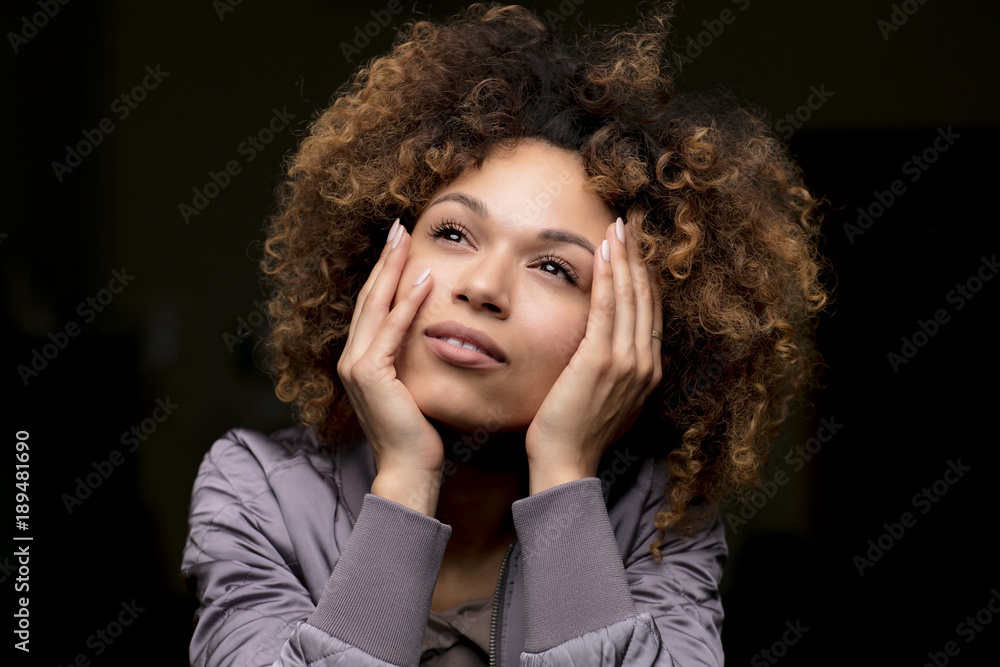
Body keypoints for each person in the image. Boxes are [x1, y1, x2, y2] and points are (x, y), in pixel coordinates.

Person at [181, 3, 827, 665]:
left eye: (554, 267)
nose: (484, 286)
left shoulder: (656, 521)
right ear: (374, 259)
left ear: (636, 326)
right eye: (454, 233)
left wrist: (563, 475)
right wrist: (405, 477)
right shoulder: (259, 490)